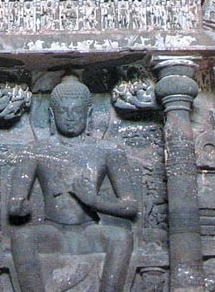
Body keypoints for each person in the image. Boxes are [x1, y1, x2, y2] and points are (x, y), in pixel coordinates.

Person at [8, 75, 138, 292]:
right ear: (51, 114)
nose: (70, 117)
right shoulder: (35, 150)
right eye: (63, 111)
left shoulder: (108, 151)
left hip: (89, 231)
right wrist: (20, 206)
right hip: (52, 230)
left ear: (88, 114)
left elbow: (130, 205)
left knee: (122, 237)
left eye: (76, 111)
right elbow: (16, 203)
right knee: (22, 236)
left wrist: (94, 201)